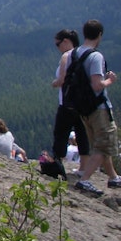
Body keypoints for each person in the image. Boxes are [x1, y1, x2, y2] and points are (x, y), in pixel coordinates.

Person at [71, 20, 121, 196]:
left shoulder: (76, 53)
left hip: (84, 108)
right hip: (98, 108)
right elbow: (97, 85)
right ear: (100, 35)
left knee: (99, 143)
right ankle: (85, 180)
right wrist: (110, 80)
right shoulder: (96, 56)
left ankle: (113, 177)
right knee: (103, 145)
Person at [50, 29, 89, 173]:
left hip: (66, 102)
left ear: (66, 41)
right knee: (82, 134)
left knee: (60, 133)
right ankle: (83, 168)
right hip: (83, 103)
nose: (58, 48)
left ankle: (57, 165)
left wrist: (54, 83)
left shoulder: (67, 56)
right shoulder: (84, 55)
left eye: (58, 44)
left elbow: (62, 80)